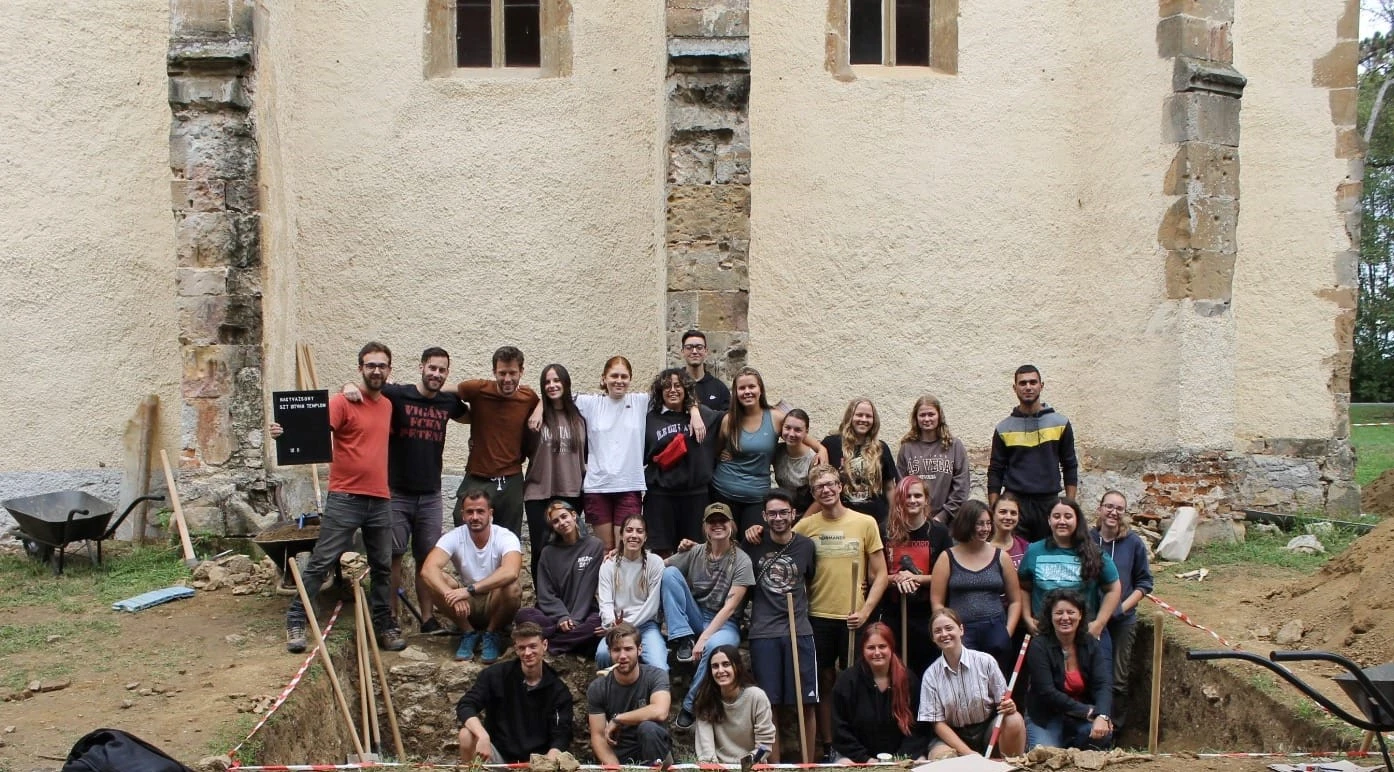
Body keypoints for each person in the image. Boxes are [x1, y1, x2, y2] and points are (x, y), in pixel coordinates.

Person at [276, 342, 405, 654]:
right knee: (321, 562)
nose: (376, 371)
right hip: (346, 497)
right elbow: (310, 430)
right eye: (370, 365)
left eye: (382, 365)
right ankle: (296, 619)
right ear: (360, 368)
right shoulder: (343, 402)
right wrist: (283, 432)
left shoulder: (387, 405)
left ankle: (383, 624)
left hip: (380, 499)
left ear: (389, 370)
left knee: (382, 566)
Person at [342, 346, 468, 636]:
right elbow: (365, 388)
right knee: (393, 557)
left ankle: (428, 619)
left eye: (442, 370)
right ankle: (392, 618)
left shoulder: (448, 402)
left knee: (428, 559)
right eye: (432, 368)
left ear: (447, 373)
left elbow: (473, 416)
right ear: (421, 367)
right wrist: (348, 385)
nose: (436, 374)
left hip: (431, 494)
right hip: (396, 492)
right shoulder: (398, 394)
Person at [793, 464, 889, 762]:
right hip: (818, 616)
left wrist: (866, 611)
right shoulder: (806, 527)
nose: (826, 490)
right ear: (813, 493)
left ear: (840, 487)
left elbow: (881, 574)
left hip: (853, 617)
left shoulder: (865, 523)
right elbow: (780, 543)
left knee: (856, 681)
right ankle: (829, 745)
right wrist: (757, 531)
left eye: (830, 484)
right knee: (823, 682)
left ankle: (856, 744)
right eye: (819, 487)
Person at [661, 503, 755, 729]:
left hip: (726, 623)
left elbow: (730, 608)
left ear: (732, 525)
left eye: (722, 520)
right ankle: (683, 637)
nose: (717, 525)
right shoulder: (695, 552)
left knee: (715, 648)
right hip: (696, 614)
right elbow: (660, 566)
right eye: (712, 521)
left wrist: (704, 639)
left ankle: (690, 705)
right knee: (670, 574)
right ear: (705, 527)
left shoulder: (742, 560)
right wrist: (624, 554)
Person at [746, 488, 818, 762]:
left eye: (783, 513)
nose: (778, 518)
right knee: (769, 705)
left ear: (794, 514)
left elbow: (809, 580)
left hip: (798, 630)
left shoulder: (806, 546)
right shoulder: (753, 543)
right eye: (772, 513)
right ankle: (774, 766)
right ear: (764, 516)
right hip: (763, 632)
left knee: (806, 702)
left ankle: (808, 764)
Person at [710, 367, 823, 531]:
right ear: (735, 392)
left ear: (760, 389)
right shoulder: (729, 420)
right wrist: (723, 453)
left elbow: (799, 434)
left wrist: (821, 449)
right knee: (725, 541)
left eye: (751, 386)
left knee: (755, 540)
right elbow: (716, 450)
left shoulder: (776, 417)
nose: (747, 392)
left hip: (757, 497)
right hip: (723, 491)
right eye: (742, 388)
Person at [422, 489, 523, 664]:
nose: (475, 517)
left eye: (480, 511)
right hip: (466, 607)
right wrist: (450, 594)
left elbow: (511, 571)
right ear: (463, 515)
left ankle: (492, 633)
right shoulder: (454, 536)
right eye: (470, 512)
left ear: (490, 513)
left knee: (512, 586)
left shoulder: (505, 536)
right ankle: (468, 632)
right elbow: (428, 569)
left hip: (494, 601)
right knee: (436, 581)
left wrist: (469, 590)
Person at [454, 622, 574, 763]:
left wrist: (548, 760)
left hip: (537, 762)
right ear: (516, 649)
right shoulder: (495, 675)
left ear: (544, 645)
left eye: (533, 646)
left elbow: (561, 735)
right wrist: (483, 735)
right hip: (497, 757)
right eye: (522, 648)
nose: (527, 653)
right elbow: (466, 705)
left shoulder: (558, 690)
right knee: (466, 735)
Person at [930, 500, 1022, 678]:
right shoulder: (947, 557)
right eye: (980, 524)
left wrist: (1006, 632)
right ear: (966, 524)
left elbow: (1015, 600)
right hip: (961, 632)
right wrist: (947, 631)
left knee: (996, 684)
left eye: (988, 523)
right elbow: (937, 602)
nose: (985, 528)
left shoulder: (1001, 557)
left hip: (995, 629)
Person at [453, 346, 540, 535]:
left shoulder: (528, 397)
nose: (507, 379)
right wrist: (469, 417)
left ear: (521, 371)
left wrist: (540, 409)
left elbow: (547, 399)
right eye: (502, 373)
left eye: (512, 373)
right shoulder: (478, 389)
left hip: (511, 478)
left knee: (508, 535)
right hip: (477, 475)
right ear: (494, 372)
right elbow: (445, 390)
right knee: (462, 523)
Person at [986, 365, 1079, 543]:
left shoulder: (1060, 423)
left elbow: (1070, 466)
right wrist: (994, 509)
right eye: (1023, 383)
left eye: (1033, 382)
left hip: (1049, 502)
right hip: (1015, 503)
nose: (1028, 387)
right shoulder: (1003, 428)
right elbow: (995, 471)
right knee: (1015, 556)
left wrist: (1069, 506)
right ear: (1015, 388)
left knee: (1046, 555)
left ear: (1041, 386)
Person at [919, 608, 1026, 759]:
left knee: (1014, 719)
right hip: (951, 736)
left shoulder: (985, 662)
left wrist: (1009, 706)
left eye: (949, 628)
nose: (944, 634)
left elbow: (1003, 704)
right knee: (941, 757)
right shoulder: (930, 676)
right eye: (937, 631)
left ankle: (1010, 765)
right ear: (933, 638)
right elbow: (937, 723)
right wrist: (968, 753)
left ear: (961, 630)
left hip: (986, 730)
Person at [1089, 490, 1154, 729]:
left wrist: (1119, 608)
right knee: (1090, 671)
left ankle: (1114, 728)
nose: (1113, 512)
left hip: (1121, 620)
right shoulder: (1087, 540)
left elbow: (1144, 583)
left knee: (1117, 676)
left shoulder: (1133, 543)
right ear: (1100, 509)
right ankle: (1089, 723)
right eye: (1109, 506)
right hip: (1090, 619)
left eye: (1119, 508)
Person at [1017, 498, 1122, 646]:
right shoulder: (1034, 551)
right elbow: (1023, 587)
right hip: (1045, 635)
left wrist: (1099, 623)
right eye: (1056, 516)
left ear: (1077, 520)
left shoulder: (1094, 553)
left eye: (1068, 516)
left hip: (1083, 635)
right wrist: (1027, 617)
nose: (1062, 521)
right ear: (1049, 520)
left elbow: (1113, 588)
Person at [879, 475, 952, 676]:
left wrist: (916, 578)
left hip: (926, 615)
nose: (912, 500)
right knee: (896, 672)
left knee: (926, 671)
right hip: (893, 614)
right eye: (907, 496)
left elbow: (947, 576)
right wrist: (896, 578)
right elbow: (875, 576)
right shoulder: (885, 530)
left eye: (917, 496)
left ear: (926, 499)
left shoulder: (939, 532)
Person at [1024, 589, 1114, 750]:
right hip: (1046, 717)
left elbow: (1103, 683)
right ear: (1050, 616)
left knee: (1102, 734)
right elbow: (1046, 691)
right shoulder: (1039, 646)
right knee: (1045, 756)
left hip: (1081, 718)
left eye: (1071, 612)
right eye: (1059, 613)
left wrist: (1102, 715)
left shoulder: (1091, 643)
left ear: (1080, 615)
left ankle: (1074, 747)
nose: (1065, 618)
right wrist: (1087, 711)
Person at [644, 368, 722, 553]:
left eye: (678, 385)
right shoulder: (649, 419)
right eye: (667, 386)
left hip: (695, 496)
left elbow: (732, 423)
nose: (673, 390)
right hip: (660, 496)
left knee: (694, 551)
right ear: (660, 391)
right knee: (661, 551)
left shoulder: (704, 415)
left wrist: (694, 410)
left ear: (686, 389)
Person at [514, 500, 605, 654]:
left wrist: (575, 619)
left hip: (584, 611)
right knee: (524, 615)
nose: (562, 523)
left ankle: (552, 644)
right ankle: (574, 641)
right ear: (552, 527)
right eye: (555, 521)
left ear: (574, 515)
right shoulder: (547, 553)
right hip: (553, 615)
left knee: (597, 623)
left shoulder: (594, 546)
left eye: (564, 516)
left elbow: (586, 589)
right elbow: (545, 593)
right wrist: (562, 617)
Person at [830, 622, 928, 763]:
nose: (877, 652)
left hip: (902, 758)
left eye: (882, 646)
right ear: (863, 650)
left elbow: (919, 729)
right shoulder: (846, 682)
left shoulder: (909, 680)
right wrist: (866, 759)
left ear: (891, 648)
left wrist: (900, 759)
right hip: (855, 757)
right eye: (871, 648)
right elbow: (840, 730)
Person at [523, 363, 586, 577]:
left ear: (566, 383)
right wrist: (540, 406)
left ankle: (567, 593)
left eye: (557, 380)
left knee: (569, 548)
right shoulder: (534, 417)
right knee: (541, 549)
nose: (552, 385)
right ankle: (543, 595)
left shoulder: (579, 416)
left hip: (571, 491)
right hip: (539, 492)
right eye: (547, 382)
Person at [587, 623, 673, 765]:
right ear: (609, 652)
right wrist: (615, 768)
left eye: (628, 649)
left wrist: (619, 719)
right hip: (620, 754)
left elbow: (660, 711)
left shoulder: (656, 676)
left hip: (655, 748)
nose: (622, 656)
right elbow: (598, 736)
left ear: (639, 650)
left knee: (648, 728)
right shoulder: (598, 687)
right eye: (616, 650)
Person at [596, 514, 669, 670]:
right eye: (629, 530)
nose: (634, 535)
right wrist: (611, 624)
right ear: (621, 535)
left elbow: (652, 606)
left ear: (645, 536)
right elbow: (605, 602)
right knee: (603, 655)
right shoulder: (608, 565)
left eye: (639, 531)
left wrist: (627, 626)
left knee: (659, 666)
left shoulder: (655, 563)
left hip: (646, 625)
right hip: (617, 626)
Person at [817, 398, 898, 531]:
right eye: (859, 415)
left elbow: (889, 488)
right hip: (840, 522)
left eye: (868, 416)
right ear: (850, 416)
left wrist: (894, 518)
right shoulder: (832, 444)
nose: (864, 419)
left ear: (874, 420)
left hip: (875, 522)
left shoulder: (881, 448)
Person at [693, 645, 777, 763]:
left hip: (751, 766)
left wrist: (747, 765)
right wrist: (713, 767)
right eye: (715, 666)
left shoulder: (757, 697)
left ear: (737, 667)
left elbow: (764, 745)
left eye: (726, 664)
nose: (720, 670)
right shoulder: (705, 698)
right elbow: (706, 749)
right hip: (717, 767)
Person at [896, 395, 970, 525]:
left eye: (931, 414)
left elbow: (961, 487)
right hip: (914, 521)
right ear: (916, 418)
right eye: (922, 415)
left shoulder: (954, 446)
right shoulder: (907, 448)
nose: (927, 419)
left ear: (939, 416)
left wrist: (943, 516)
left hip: (948, 523)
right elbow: (901, 486)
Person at [772, 408, 816, 513]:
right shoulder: (777, 451)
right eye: (787, 428)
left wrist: (803, 520)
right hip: (782, 510)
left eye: (798, 430)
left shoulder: (813, 459)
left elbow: (818, 498)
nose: (791, 434)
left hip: (806, 511)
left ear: (806, 432)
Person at [682, 329, 731, 411]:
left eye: (699, 347)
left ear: (706, 351)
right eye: (689, 347)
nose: (694, 351)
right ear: (682, 352)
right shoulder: (675, 385)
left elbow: (728, 416)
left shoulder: (719, 388)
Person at [989, 493, 1031, 569]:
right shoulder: (981, 548)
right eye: (1003, 512)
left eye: (1013, 513)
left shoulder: (1026, 548)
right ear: (993, 514)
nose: (1008, 517)